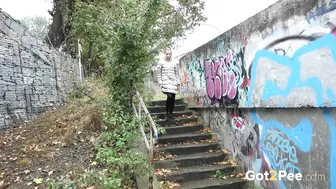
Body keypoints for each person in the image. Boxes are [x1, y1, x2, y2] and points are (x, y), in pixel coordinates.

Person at [157, 47, 180, 121]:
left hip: (173, 83)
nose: (168, 55)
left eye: (169, 54)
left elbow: (177, 73)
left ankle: (170, 113)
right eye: (167, 54)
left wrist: (177, 82)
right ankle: (166, 112)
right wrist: (160, 83)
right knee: (169, 96)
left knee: (173, 98)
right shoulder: (161, 62)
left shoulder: (174, 62)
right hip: (165, 83)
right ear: (164, 54)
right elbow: (158, 74)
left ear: (171, 54)